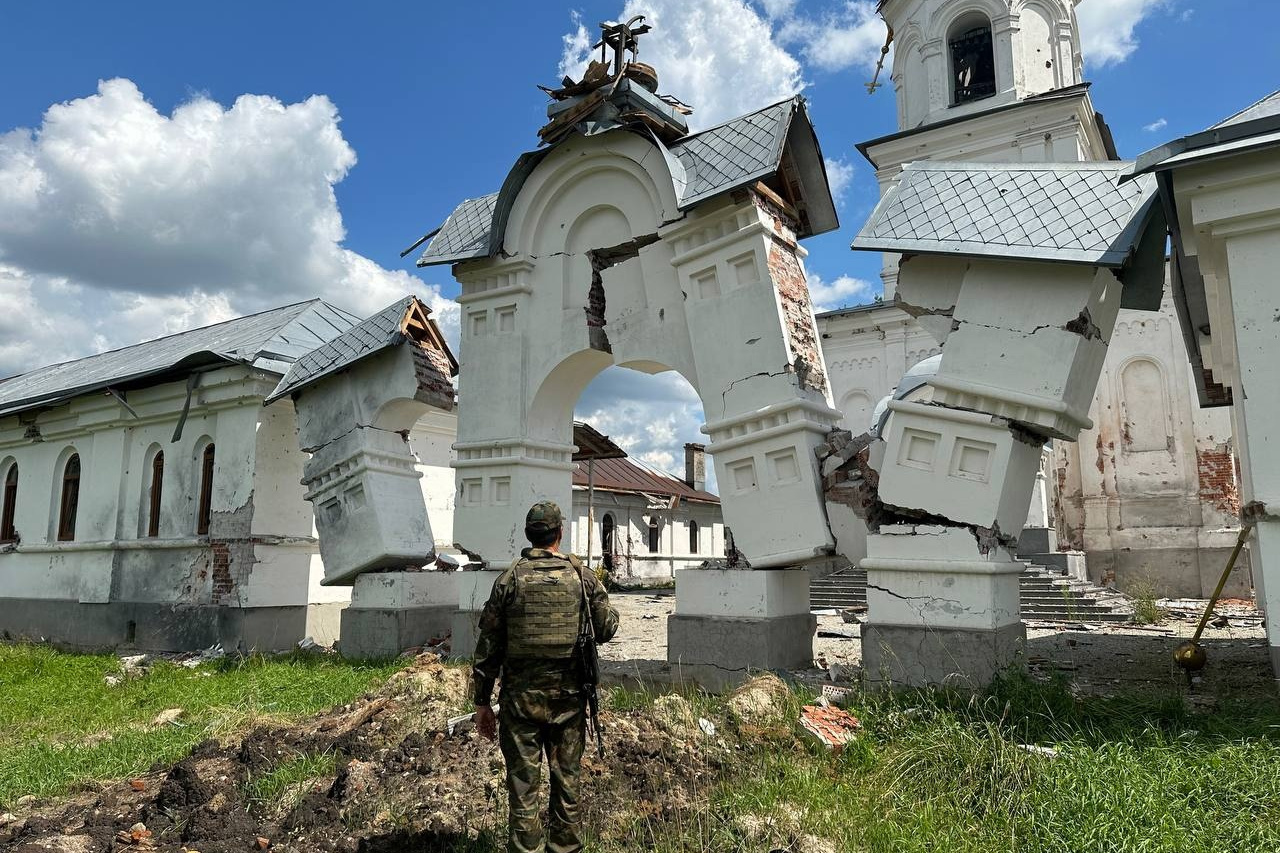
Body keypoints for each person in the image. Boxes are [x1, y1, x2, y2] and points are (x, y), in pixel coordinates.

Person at [472, 500, 619, 853]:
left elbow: (488, 648)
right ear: (560, 534)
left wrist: (481, 703)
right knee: (567, 782)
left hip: (520, 703)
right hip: (569, 701)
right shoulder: (582, 577)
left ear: (528, 535)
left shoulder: (509, 579)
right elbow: (606, 629)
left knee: (523, 787)